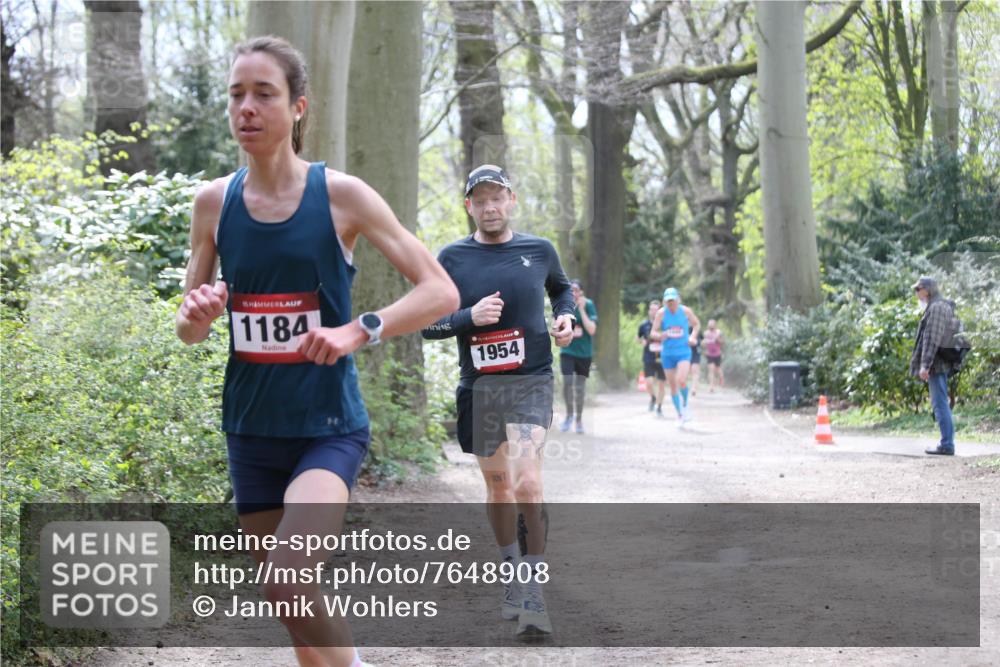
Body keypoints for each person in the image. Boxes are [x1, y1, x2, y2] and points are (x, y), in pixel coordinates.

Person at [175, 36, 459, 667]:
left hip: (327, 428)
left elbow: (441, 289)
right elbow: (190, 326)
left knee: (288, 577)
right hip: (250, 428)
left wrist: (359, 329)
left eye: (264, 94)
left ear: (299, 107)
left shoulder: (342, 196)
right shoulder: (213, 204)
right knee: (297, 615)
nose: (246, 108)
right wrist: (195, 315)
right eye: (236, 95)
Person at [422, 164, 575, 639]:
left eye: (497, 197)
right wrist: (469, 316)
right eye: (480, 199)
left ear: (512, 199)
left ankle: (532, 591)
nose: (490, 206)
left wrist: (566, 319)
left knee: (528, 483)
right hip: (481, 388)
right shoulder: (451, 258)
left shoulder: (539, 250)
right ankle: (510, 571)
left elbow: (562, 291)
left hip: (530, 380)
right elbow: (427, 323)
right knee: (499, 487)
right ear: (469, 205)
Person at [909, 276, 958, 456]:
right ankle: (946, 442)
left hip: (936, 365)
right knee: (940, 403)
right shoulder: (937, 306)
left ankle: (946, 444)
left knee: (939, 404)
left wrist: (925, 365)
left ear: (927, 290)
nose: (916, 293)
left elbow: (932, 339)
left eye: (918, 289)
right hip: (938, 364)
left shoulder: (937, 307)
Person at [650, 288, 700, 423]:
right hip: (667, 354)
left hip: (683, 351)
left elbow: (696, 325)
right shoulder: (661, 313)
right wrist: (661, 335)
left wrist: (692, 337)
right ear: (665, 302)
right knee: (672, 386)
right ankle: (680, 414)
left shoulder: (685, 311)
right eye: (668, 301)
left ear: (678, 299)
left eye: (673, 301)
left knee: (681, 380)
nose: (671, 304)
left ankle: (685, 404)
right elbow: (653, 332)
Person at [558, 279, 597, 434]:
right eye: (570, 290)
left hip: (584, 354)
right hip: (567, 351)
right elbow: (558, 327)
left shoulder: (588, 305)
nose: (573, 292)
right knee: (567, 382)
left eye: (575, 290)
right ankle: (568, 416)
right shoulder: (564, 305)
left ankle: (579, 420)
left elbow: (592, 329)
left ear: (581, 292)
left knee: (580, 388)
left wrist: (581, 310)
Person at [637, 299, 667, 416]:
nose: (654, 312)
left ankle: (659, 407)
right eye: (652, 310)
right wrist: (642, 341)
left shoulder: (664, 324)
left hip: (663, 357)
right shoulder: (644, 325)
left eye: (656, 310)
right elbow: (638, 338)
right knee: (648, 382)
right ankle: (653, 398)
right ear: (649, 311)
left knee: (661, 384)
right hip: (648, 356)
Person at [703, 319, 725, 391]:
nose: (711, 325)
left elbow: (722, 342)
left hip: (717, 354)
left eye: (712, 324)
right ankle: (711, 386)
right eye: (709, 324)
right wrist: (704, 347)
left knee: (718, 369)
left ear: (715, 325)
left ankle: (721, 378)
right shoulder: (706, 333)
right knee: (711, 369)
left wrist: (718, 339)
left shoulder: (719, 332)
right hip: (709, 354)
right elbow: (704, 343)